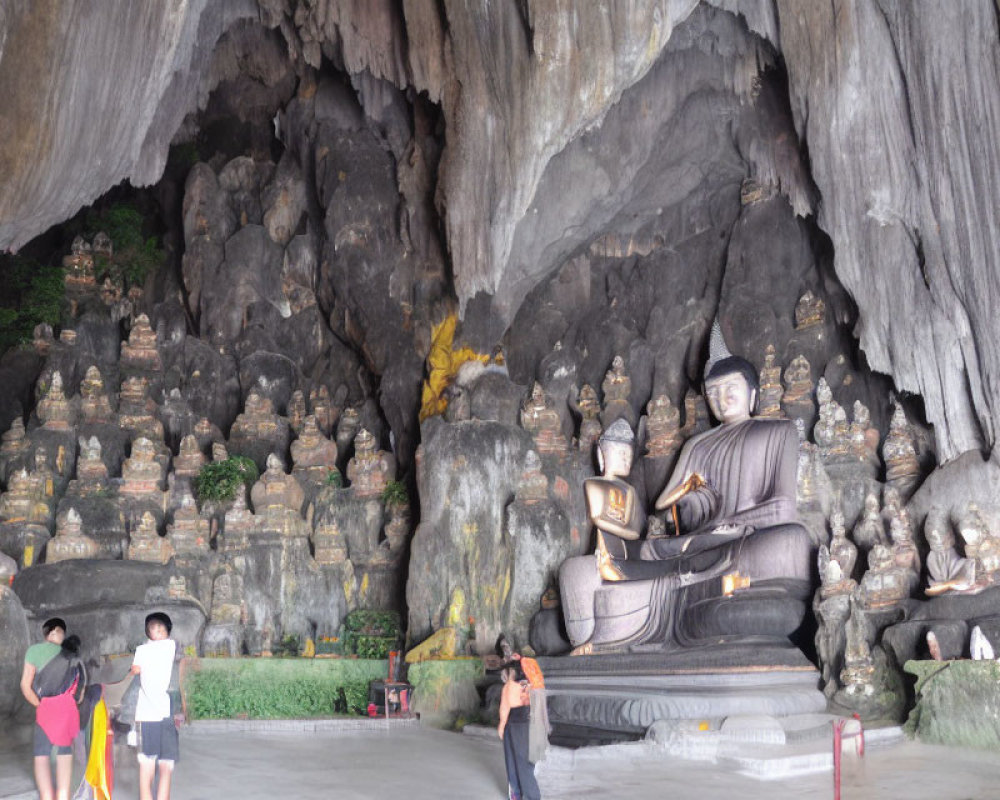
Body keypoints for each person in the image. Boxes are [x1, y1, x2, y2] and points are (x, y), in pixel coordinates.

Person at [560, 343, 813, 654]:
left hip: (742, 541)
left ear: (753, 394)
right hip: (699, 544)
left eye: (730, 388)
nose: (722, 399)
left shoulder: (778, 433)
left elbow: (784, 507)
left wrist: (735, 524)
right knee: (636, 554)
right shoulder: (698, 445)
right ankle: (647, 585)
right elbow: (675, 511)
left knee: (792, 540)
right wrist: (693, 500)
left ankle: (664, 593)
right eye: (713, 393)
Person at [20, 617, 86, 800]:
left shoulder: (34, 651)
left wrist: (41, 706)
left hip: (46, 712)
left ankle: (47, 796)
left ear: (46, 632)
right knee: (64, 754)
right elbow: (80, 694)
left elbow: (25, 686)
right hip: (68, 713)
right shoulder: (73, 656)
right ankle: (63, 796)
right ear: (58, 631)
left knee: (41, 755)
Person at [131, 612, 179, 800]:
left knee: (163, 763)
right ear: (147, 632)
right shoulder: (145, 649)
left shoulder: (165, 646)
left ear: (168, 631)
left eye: (161, 629)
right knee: (151, 763)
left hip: (161, 712)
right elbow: (137, 668)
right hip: (149, 714)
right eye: (153, 629)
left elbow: (137, 668)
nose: (158, 632)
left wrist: (137, 665)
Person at [498, 666, 541, 800]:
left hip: (514, 724)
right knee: (526, 762)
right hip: (531, 723)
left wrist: (501, 726)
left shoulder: (510, 686)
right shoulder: (533, 685)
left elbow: (505, 709)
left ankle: (522, 795)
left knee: (513, 761)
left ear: (511, 673)